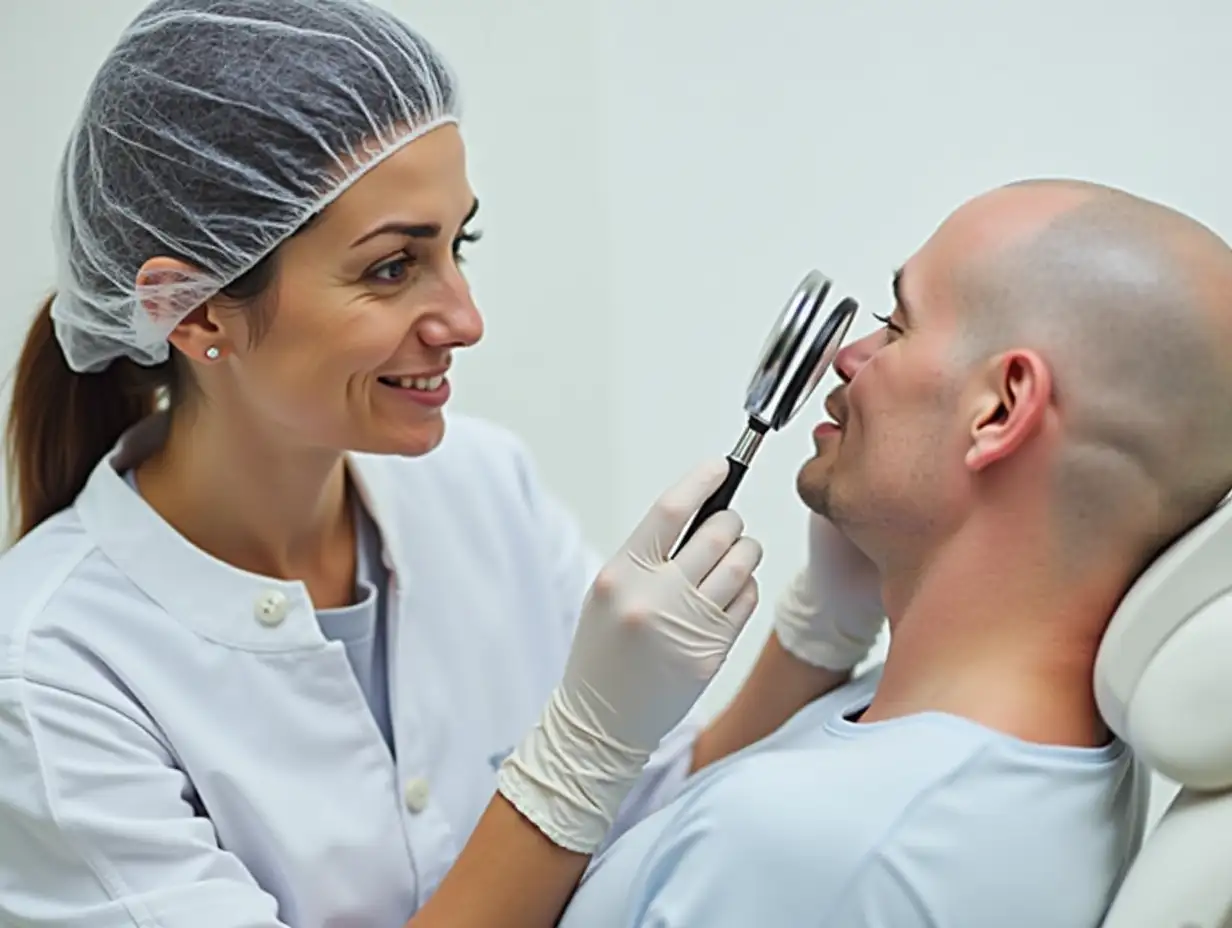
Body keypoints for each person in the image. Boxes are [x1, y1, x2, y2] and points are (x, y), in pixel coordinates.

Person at [0, 2, 864, 926]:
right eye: (389, 268)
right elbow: (586, 786)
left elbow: (647, 823)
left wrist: (823, 628)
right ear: (198, 310)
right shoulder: (48, 681)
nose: (465, 318)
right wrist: (577, 753)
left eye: (460, 245)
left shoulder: (482, 489)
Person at [557, 178, 1232, 927]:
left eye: (895, 324)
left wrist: (575, 758)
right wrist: (819, 638)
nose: (849, 355)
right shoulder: (1027, 745)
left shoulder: (818, 849)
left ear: (1001, 409)